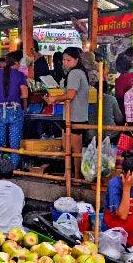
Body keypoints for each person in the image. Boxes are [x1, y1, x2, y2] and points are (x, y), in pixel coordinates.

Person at [45, 47, 89, 178]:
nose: (65, 62)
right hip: (74, 115)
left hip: (75, 116)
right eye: (64, 59)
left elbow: (70, 95)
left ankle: (76, 176)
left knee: (75, 149)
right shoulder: (79, 72)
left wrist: (55, 98)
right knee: (68, 147)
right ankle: (69, 174)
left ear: (76, 60)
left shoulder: (75, 73)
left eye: (68, 60)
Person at [0, 51, 28, 168]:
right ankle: (14, 168)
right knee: (14, 142)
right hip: (15, 110)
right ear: (16, 63)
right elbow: (25, 95)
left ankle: (0, 167)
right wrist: (18, 96)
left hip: (0, 109)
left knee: (0, 141)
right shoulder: (20, 75)